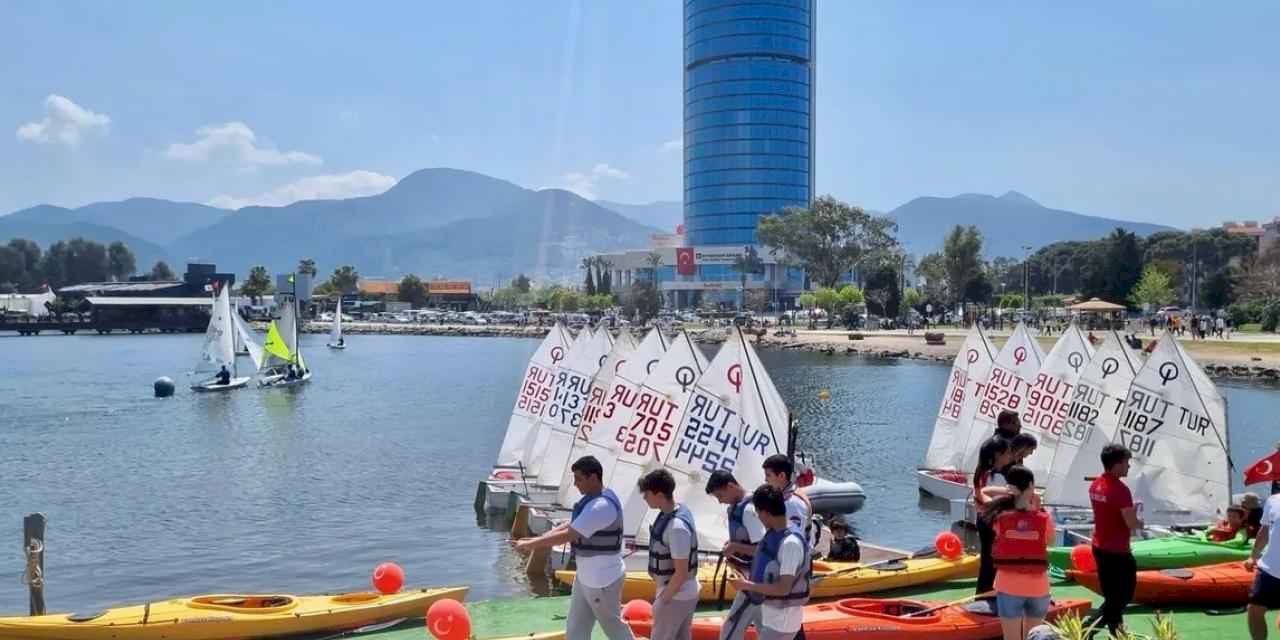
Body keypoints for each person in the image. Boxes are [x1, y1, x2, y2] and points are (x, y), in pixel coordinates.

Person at [514, 456, 633, 640]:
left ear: (593, 477)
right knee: (576, 628)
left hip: (601, 580)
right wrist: (537, 538)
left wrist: (531, 545)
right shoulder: (592, 501)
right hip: (586, 578)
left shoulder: (601, 506)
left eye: (579, 478)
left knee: (614, 628)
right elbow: (574, 524)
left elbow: (569, 534)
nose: (576, 484)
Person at [729, 485, 811, 640]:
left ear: (765, 513)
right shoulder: (775, 534)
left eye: (757, 514)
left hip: (783, 622)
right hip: (772, 618)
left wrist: (744, 585)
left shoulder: (790, 544)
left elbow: (783, 588)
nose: (758, 518)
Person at [982, 465, 1053, 640]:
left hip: (1008, 587)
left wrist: (1009, 492)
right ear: (1031, 485)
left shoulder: (999, 517)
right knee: (1035, 637)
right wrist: (1035, 501)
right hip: (1038, 588)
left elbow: (984, 492)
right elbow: (1049, 542)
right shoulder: (1045, 519)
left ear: (1009, 488)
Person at [1089, 445, 1142, 636]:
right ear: (1117, 464)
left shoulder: (1095, 484)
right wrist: (1140, 522)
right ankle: (1088, 626)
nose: (1129, 466)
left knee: (1113, 597)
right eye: (1126, 462)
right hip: (1117, 551)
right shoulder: (1121, 490)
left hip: (1100, 547)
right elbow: (1130, 523)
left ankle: (1117, 633)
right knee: (1122, 597)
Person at [639, 469, 699, 640]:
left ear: (658, 494)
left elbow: (680, 573)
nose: (644, 498)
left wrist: (663, 600)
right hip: (684, 593)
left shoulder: (676, 527)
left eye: (647, 494)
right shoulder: (677, 511)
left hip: (675, 596)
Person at [706, 471, 766, 640]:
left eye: (720, 495)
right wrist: (733, 544)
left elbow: (763, 548)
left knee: (729, 632)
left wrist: (735, 547)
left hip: (753, 581)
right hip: (751, 580)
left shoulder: (748, 510)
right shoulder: (737, 507)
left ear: (730, 486)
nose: (720, 501)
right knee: (765, 629)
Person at [974, 437, 1015, 595]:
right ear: (998, 454)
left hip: (982, 520)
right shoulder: (994, 476)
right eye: (1007, 452)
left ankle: (982, 595)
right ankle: (987, 596)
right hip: (993, 522)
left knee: (987, 562)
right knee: (993, 563)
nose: (1010, 456)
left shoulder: (982, 472)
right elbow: (993, 501)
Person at [1245, 490, 1280, 640]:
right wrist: (1253, 556)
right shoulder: (1273, 501)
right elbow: (1265, 530)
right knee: (1254, 610)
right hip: (1269, 569)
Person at [762, 455, 812, 545]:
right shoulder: (784, 494)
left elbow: (794, 541)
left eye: (768, 475)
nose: (765, 480)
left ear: (781, 476)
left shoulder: (793, 503)